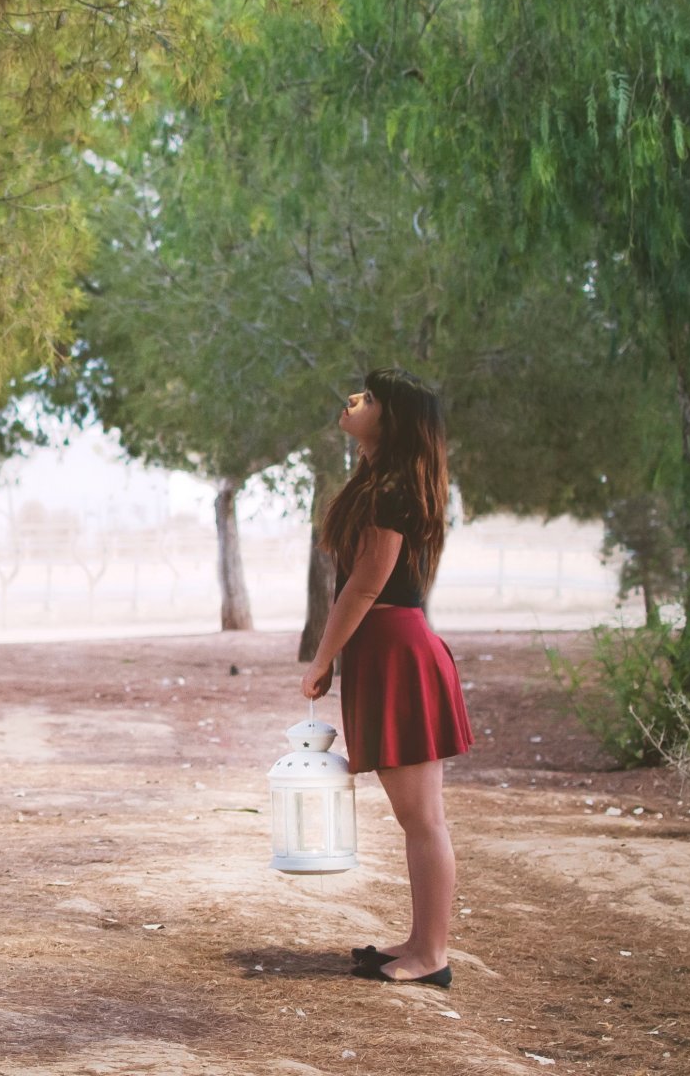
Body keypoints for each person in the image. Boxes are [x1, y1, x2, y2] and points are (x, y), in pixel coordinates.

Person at [300, 366, 474, 989]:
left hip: (398, 649)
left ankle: (432, 956)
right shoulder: (382, 480)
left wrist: (322, 660)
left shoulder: (392, 489)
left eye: (369, 398)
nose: (353, 400)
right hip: (389, 648)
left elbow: (367, 584)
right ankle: (421, 942)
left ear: (391, 419)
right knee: (417, 816)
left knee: (422, 816)